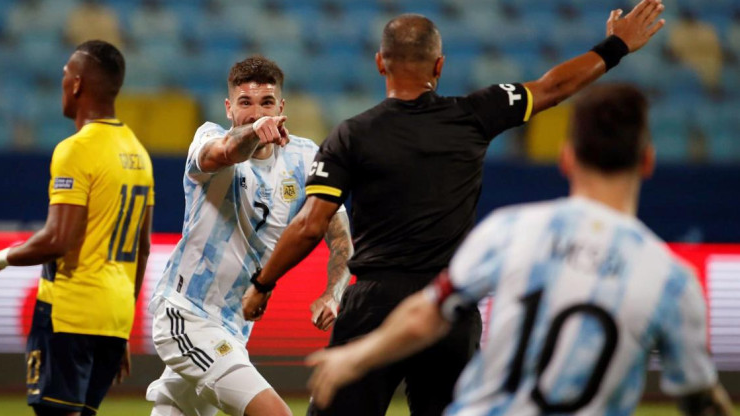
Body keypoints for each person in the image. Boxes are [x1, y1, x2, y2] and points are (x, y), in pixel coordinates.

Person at [243, 1, 666, 415]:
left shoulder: (350, 135)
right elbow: (554, 87)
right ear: (439, 66)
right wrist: (616, 47)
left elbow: (310, 225)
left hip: (375, 303)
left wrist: (263, 284)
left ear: (379, 63)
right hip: (449, 306)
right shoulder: (475, 114)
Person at [306, 84, 736, 416]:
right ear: (647, 161)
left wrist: (356, 355)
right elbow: (699, 397)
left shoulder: (511, 231)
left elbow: (428, 312)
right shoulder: (671, 280)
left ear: (566, 159)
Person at [145, 56, 353, 416]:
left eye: (266, 103)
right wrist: (256, 132)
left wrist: (332, 293)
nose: (257, 113)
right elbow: (224, 152)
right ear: (229, 108)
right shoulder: (209, 139)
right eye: (245, 103)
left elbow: (341, 241)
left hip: (233, 330)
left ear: (282, 107)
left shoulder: (306, 158)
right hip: (187, 315)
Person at [0, 40, 154, 416]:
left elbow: (58, 240)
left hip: (70, 313)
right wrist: (119, 329)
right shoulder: (138, 152)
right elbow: (143, 247)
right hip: (114, 317)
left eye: (65, 77)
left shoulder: (76, 149)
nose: (62, 84)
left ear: (76, 85)